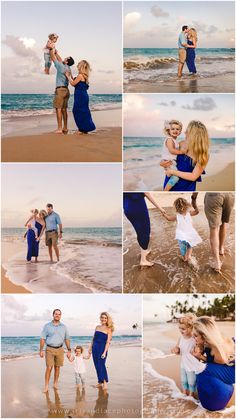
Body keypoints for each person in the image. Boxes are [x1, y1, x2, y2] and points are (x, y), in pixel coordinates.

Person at [192, 316, 235, 411]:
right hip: (223, 363)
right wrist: (200, 350)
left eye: (195, 335)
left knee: (202, 370)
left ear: (204, 336)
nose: (193, 337)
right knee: (201, 370)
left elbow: (217, 365)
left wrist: (200, 357)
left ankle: (224, 395)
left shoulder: (217, 349)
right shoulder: (208, 342)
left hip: (232, 370)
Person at [162, 120, 210, 191]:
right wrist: (163, 164)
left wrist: (172, 172)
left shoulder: (203, 154)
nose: (184, 133)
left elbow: (193, 176)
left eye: (187, 131)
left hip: (186, 188)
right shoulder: (181, 144)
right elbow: (169, 157)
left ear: (194, 135)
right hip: (170, 184)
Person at [123, 192, 166, 266]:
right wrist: (160, 208)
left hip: (127, 207)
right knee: (145, 231)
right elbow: (147, 193)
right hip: (137, 207)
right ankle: (143, 261)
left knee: (140, 231)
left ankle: (144, 251)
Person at [162, 195, 201, 264]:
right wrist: (194, 203)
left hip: (181, 236)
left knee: (183, 250)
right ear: (187, 206)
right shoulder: (189, 214)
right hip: (189, 234)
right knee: (190, 246)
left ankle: (185, 258)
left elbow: (168, 219)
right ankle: (188, 256)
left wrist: (164, 214)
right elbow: (197, 212)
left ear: (177, 208)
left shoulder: (177, 217)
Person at [40, 309, 71, 393]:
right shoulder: (47, 326)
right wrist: (41, 350)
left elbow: (67, 339)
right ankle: (46, 386)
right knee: (49, 368)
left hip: (60, 349)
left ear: (61, 316)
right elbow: (42, 338)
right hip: (49, 349)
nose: (57, 315)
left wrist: (69, 349)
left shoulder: (64, 327)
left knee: (57, 368)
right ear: (53, 315)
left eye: (59, 314)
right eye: (56, 314)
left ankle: (55, 384)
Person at [204, 193, 235, 272]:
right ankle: (221, 248)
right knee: (223, 222)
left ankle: (217, 262)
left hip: (214, 195)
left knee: (214, 228)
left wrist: (193, 197)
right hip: (229, 194)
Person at [65, 60, 96, 134]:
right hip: (83, 96)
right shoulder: (83, 75)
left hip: (80, 96)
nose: (77, 65)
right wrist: (71, 76)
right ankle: (84, 128)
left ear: (81, 66)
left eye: (79, 64)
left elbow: (73, 83)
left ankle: (81, 129)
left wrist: (68, 77)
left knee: (77, 111)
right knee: (83, 111)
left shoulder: (80, 75)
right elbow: (76, 82)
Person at [171, 314, 198, 397]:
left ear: (191, 328)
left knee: (191, 381)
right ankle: (184, 392)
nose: (181, 330)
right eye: (179, 328)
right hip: (183, 363)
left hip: (191, 364)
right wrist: (176, 350)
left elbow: (199, 349)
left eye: (183, 329)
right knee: (183, 380)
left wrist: (197, 351)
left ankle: (191, 394)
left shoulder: (194, 339)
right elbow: (178, 349)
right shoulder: (181, 338)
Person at [49, 49, 74, 134]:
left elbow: (53, 58)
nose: (64, 58)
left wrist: (51, 49)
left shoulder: (60, 66)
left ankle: (59, 128)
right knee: (64, 109)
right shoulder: (69, 68)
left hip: (60, 90)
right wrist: (57, 53)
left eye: (66, 58)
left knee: (58, 109)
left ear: (66, 61)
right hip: (66, 90)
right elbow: (60, 60)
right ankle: (65, 128)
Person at [88, 312, 114, 390]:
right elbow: (93, 338)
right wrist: (90, 348)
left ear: (107, 319)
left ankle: (105, 382)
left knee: (101, 365)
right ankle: (100, 382)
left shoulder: (109, 329)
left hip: (102, 348)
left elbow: (108, 342)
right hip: (94, 348)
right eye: (102, 317)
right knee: (96, 365)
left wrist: (104, 352)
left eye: (105, 318)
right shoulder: (97, 327)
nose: (103, 319)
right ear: (100, 318)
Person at [161, 120, 186, 191]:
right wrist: (182, 152)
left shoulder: (175, 141)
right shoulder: (169, 140)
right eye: (173, 129)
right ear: (169, 131)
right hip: (168, 161)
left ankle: (168, 175)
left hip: (171, 162)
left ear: (180, 131)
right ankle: (165, 190)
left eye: (177, 129)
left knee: (172, 175)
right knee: (176, 177)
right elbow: (171, 150)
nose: (175, 131)